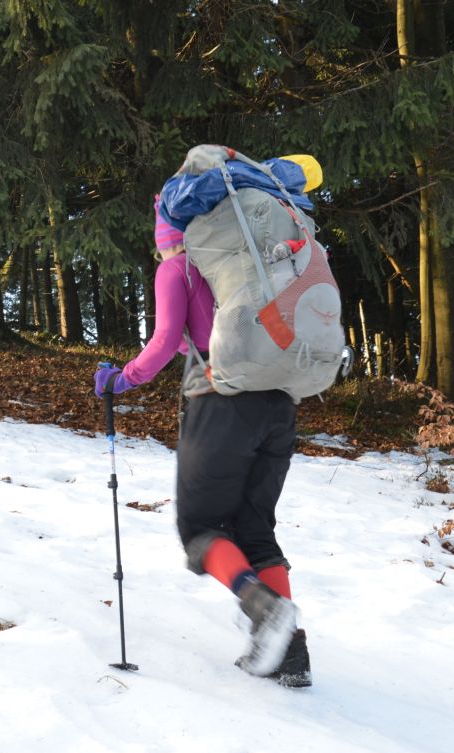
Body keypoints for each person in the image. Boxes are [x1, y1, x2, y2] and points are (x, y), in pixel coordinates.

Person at [93, 198, 311, 687]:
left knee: (199, 528)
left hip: (222, 403)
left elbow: (167, 338)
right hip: (280, 403)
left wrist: (119, 380)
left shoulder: (181, 269)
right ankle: (292, 655)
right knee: (255, 528)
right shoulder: (268, 257)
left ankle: (265, 609)